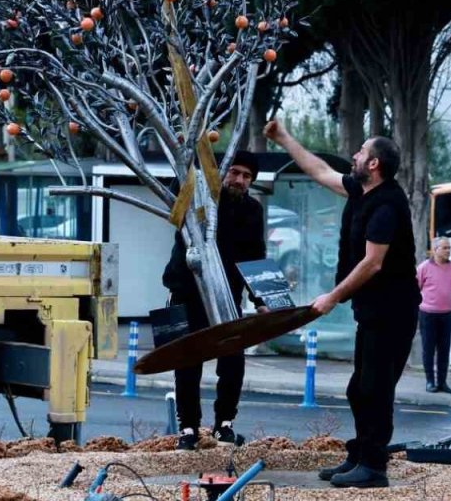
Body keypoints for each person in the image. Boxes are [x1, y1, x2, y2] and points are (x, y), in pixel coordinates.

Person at [265, 121, 420, 489]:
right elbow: (320, 171)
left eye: (361, 152)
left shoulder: (387, 204)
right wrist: (283, 137)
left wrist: (331, 297)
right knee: (359, 389)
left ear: (374, 164)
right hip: (373, 312)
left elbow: (373, 263)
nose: (354, 155)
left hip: (394, 313)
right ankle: (360, 455)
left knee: (376, 390)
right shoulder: (361, 190)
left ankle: (374, 467)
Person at [162, 150, 268, 450]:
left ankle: (224, 425)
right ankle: (188, 429)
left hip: (227, 294)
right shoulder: (197, 197)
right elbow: (176, 190)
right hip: (186, 291)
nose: (240, 180)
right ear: (220, 172)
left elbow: (255, 256)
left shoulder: (252, 210)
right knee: (187, 361)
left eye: (247, 176)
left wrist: (261, 298)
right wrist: (190, 151)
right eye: (234, 172)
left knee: (233, 360)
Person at [417, 237, 451, 394]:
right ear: (435, 250)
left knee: (444, 349)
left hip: (446, 314)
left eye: (449, 247)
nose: (448, 250)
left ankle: (442, 382)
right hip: (428, 314)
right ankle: (430, 381)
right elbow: (417, 287)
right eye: (444, 248)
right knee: (428, 349)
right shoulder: (424, 267)